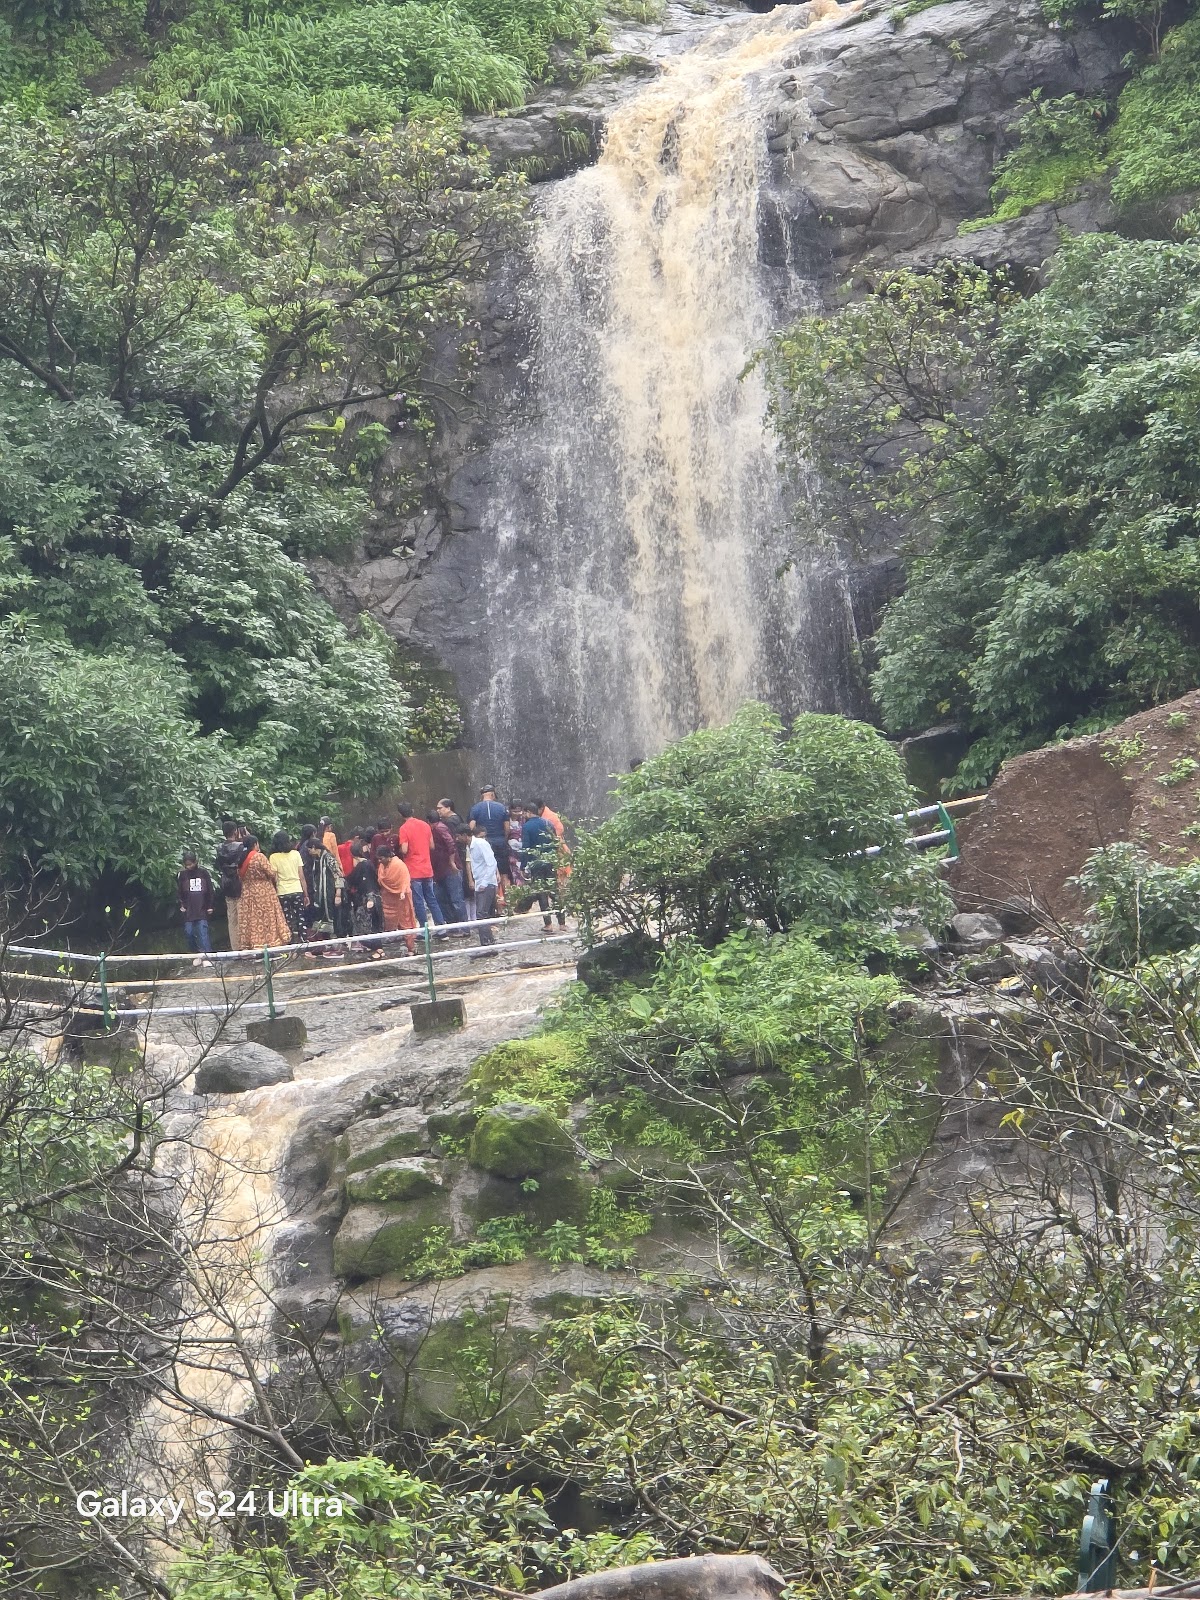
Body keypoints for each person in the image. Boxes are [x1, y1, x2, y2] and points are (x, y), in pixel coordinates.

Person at [396, 803, 447, 938]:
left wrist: (400, 850)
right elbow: (431, 846)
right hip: (427, 868)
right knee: (431, 899)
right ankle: (441, 929)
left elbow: (405, 849)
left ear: (400, 815)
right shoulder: (425, 825)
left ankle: (425, 932)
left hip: (413, 870)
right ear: (412, 810)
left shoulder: (404, 828)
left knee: (418, 901)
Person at [236, 836, 291, 950]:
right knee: (267, 917)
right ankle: (270, 942)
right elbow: (271, 873)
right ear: (255, 844)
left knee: (251, 918)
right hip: (264, 892)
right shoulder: (259, 857)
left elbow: (239, 876)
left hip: (247, 892)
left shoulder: (241, 858)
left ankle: (252, 944)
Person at [521, 806, 567, 931]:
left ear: (529, 812)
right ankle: (562, 923)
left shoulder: (526, 827)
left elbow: (525, 848)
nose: (523, 814)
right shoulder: (548, 823)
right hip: (550, 862)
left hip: (536, 864)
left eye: (525, 812)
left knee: (542, 893)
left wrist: (523, 866)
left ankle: (548, 924)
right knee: (554, 892)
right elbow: (555, 843)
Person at [303, 834, 346, 955]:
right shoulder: (317, 860)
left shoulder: (328, 858)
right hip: (321, 896)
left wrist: (338, 894)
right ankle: (325, 947)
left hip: (330, 894)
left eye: (309, 850)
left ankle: (336, 949)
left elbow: (338, 874)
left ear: (314, 848)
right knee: (321, 920)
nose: (309, 852)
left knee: (332, 918)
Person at [458, 826, 499, 948]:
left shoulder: (481, 844)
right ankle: (487, 942)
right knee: (481, 913)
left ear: (465, 835)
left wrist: (485, 883)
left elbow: (492, 863)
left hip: (486, 884)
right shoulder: (469, 847)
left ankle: (487, 943)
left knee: (481, 913)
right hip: (480, 883)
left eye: (458, 836)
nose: (457, 839)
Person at [428, 809, 467, 929]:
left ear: (429, 822)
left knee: (456, 900)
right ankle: (454, 927)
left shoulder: (440, 828)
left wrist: (451, 862)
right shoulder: (437, 828)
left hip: (450, 869)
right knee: (443, 899)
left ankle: (464, 928)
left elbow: (451, 844)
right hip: (441, 870)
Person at [376, 843, 418, 955]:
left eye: (381, 858)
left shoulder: (399, 864)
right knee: (387, 920)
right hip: (388, 898)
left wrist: (403, 891)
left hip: (401, 898)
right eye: (378, 859)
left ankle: (411, 948)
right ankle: (386, 943)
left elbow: (405, 879)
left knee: (406, 923)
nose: (379, 861)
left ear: (388, 856)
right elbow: (381, 879)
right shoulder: (382, 866)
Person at [468, 786, 510, 893]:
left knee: (488, 873)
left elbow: (471, 827)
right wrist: (504, 840)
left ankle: (495, 904)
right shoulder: (502, 807)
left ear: (482, 796)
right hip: (500, 841)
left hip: (484, 843)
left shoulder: (475, 808)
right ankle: (509, 903)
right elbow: (507, 828)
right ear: (492, 795)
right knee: (504, 874)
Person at [269, 830, 309, 942]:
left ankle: (289, 940)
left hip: (282, 891)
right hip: (297, 890)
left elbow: (275, 878)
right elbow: (301, 876)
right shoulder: (296, 854)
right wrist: (306, 894)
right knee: (300, 916)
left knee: (287, 918)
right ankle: (304, 939)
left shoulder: (273, 857)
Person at [345, 840, 383, 955]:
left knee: (368, 925)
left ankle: (378, 949)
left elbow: (353, 881)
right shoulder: (369, 863)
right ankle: (378, 949)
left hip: (368, 899)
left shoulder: (362, 866)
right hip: (374, 897)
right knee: (375, 924)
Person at [214, 819, 247, 951]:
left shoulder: (219, 848)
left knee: (232, 917)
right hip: (239, 883)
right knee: (242, 916)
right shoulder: (241, 846)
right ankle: (244, 946)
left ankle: (235, 948)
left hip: (226, 884)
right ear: (235, 831)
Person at [178, 850, 215, 965]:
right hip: (189, 909)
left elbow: (209, 890)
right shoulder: (182, 875)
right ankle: (196, 954)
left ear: (196, 862)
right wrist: (182, 904)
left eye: (191, 864)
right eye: (187, 864)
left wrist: (210, 905)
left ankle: (207, 956)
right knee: (188, 932)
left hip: (202, 908)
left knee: (203, 932)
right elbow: (179, 892)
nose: (189, 867)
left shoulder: (203, 873)